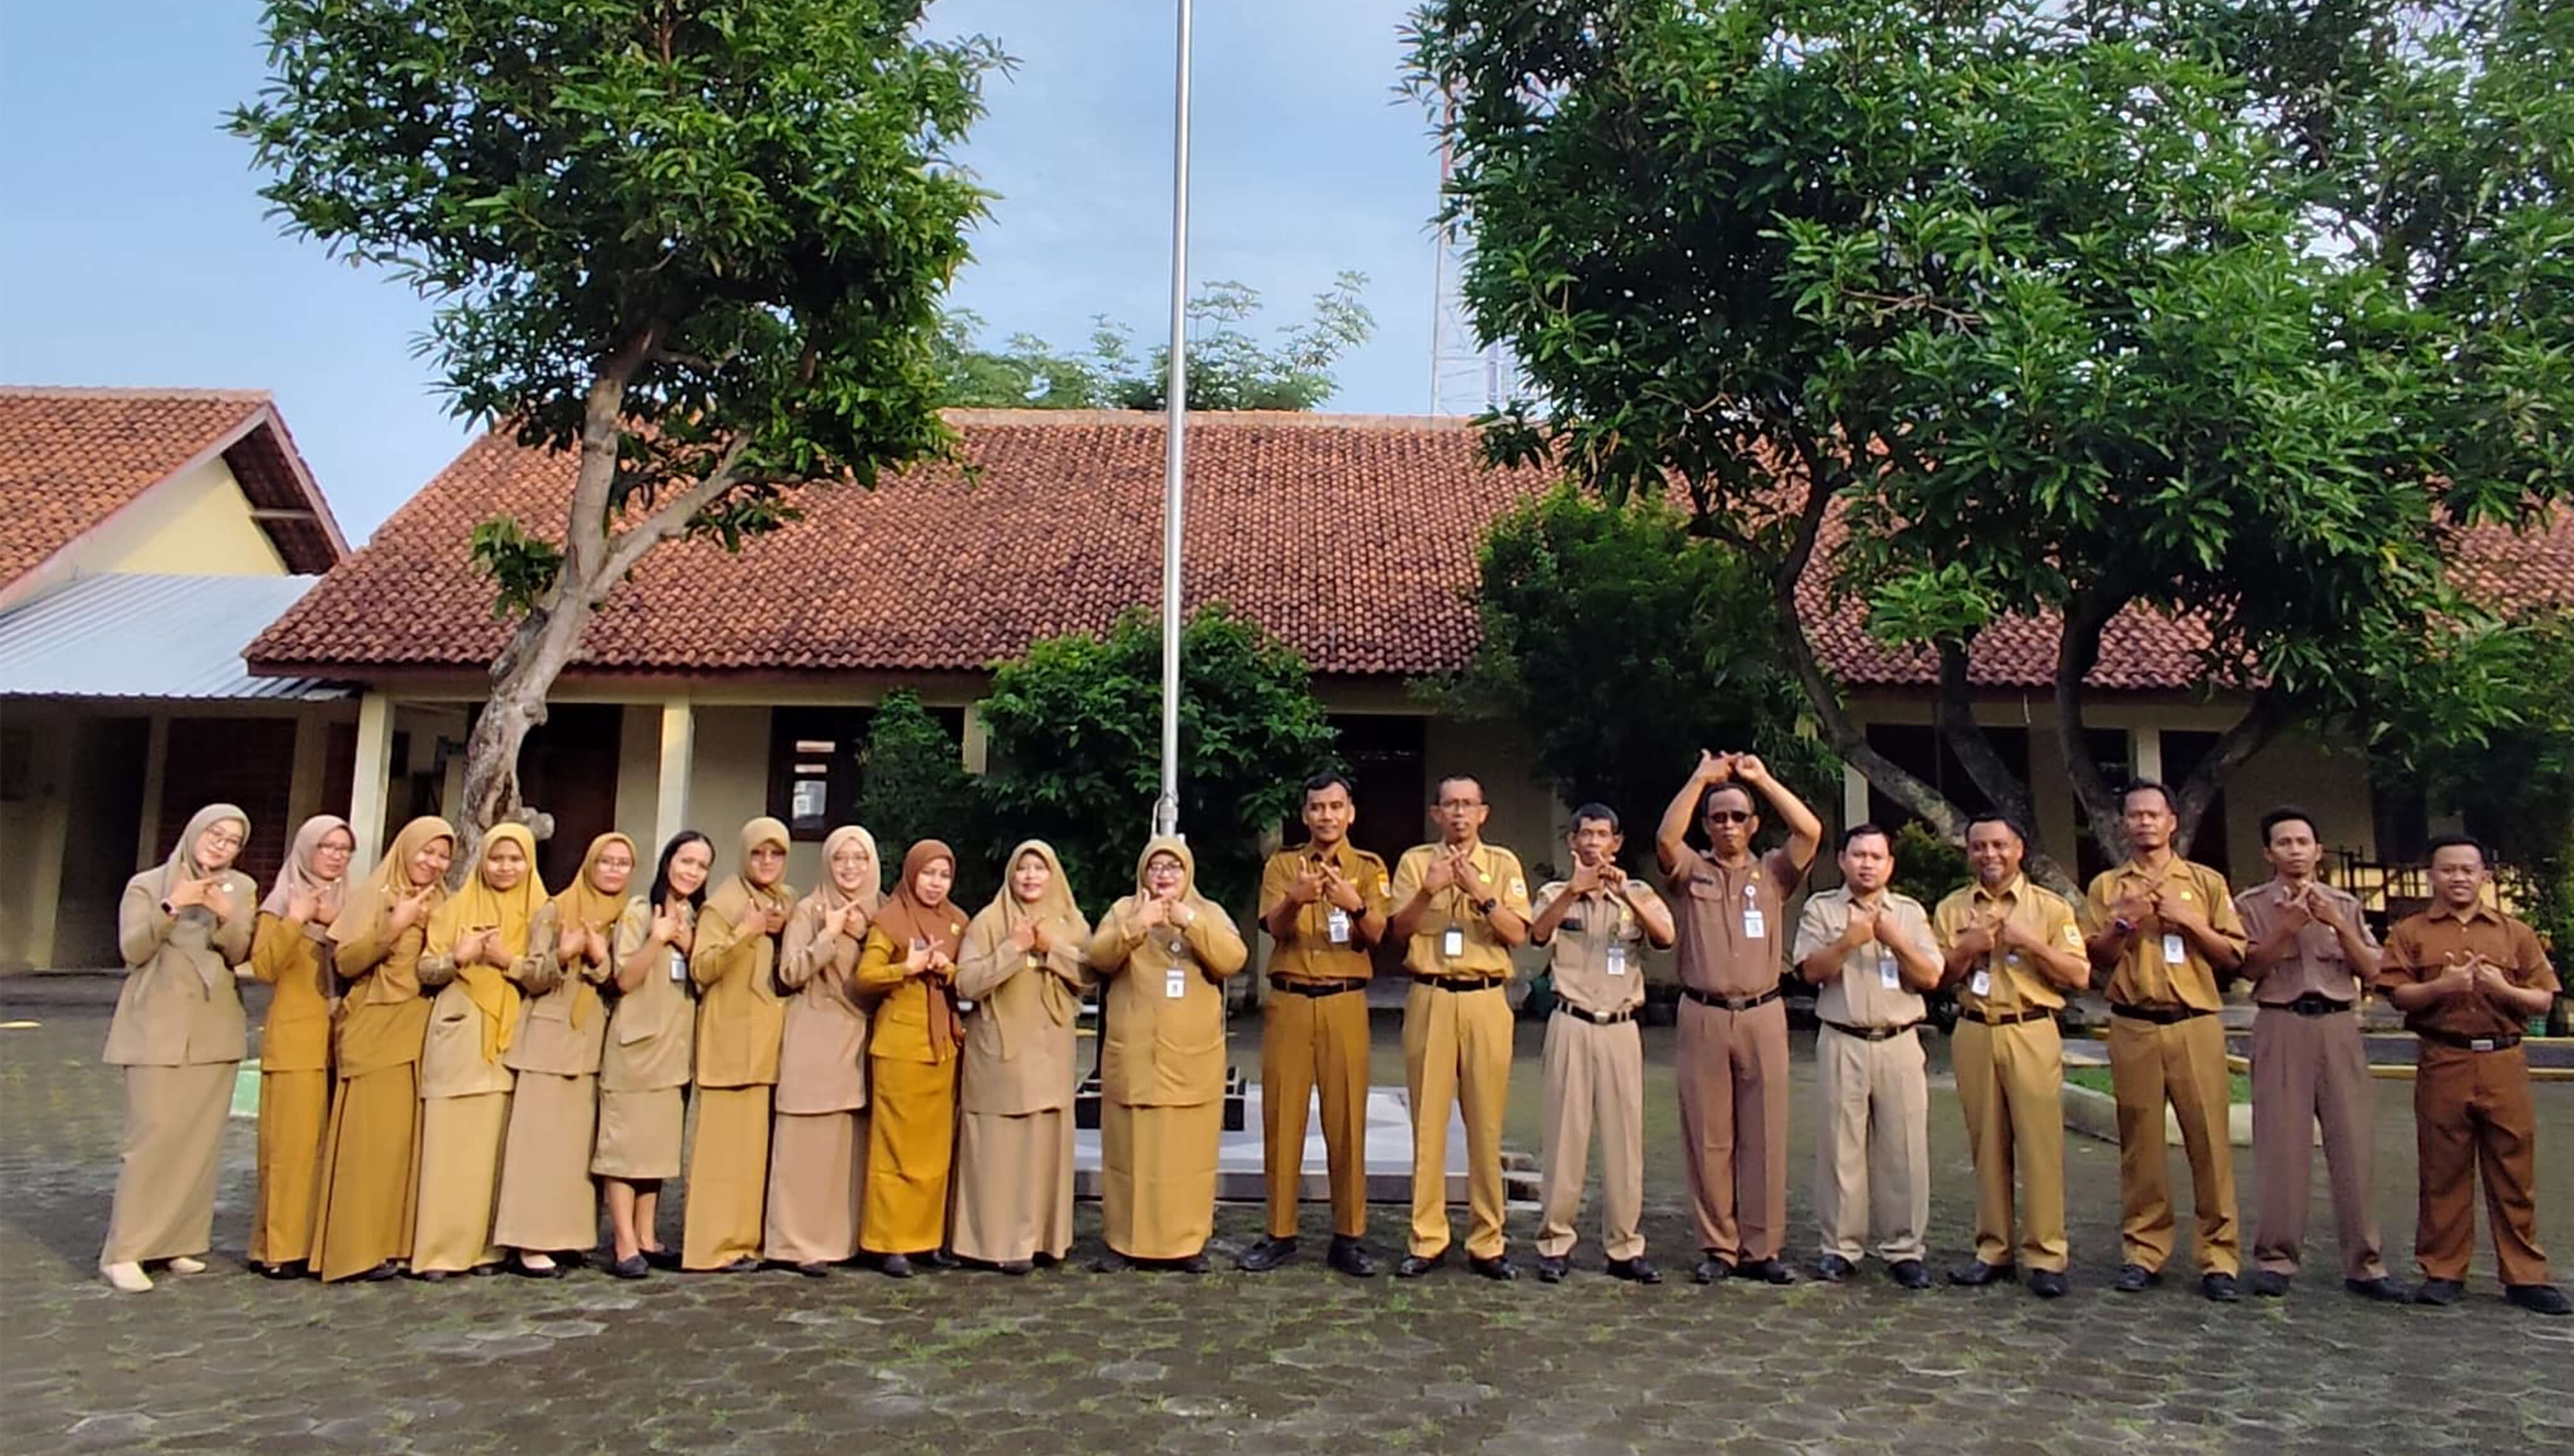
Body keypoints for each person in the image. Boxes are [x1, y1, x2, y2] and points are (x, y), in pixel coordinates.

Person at [2374, 835, 2567, 1316]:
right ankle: (2443, 1270)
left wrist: (2503, 989)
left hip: (2503, 1060)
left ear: (2485, 875)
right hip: (2445, 1057)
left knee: (2514, 1169)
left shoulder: (2515, 932)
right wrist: (2443, 986)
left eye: (2468, 869)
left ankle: (2525, 1275)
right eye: (2448, 869)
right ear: (2431, 876)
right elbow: (2397, 994)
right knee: (2443, 1169)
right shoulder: (2411, 932)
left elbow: (2543, 998)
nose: (2458, 878)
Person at [1655, 750, 1822, 1286]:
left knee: (1765, 1133)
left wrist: (1762, 779)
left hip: (1763, 1011)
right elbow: (1666, 839)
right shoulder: (1693, 872)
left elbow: (1810, 831)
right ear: (1706, 825)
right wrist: (1699, 777)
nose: (1728, 825)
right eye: (1718, 817)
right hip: (1703, 1013)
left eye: (1738, 817)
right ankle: (1718, 1245)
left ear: (1753, 824)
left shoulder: (1772, 872)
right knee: (1708, 1133)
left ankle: (1762, 1246)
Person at [2083, 780, 2249, 1301]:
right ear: (2123, 824)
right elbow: (2095, 959)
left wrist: (2188, 921)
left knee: (2209, 1141)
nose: (2144, 823)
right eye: (2135, 815)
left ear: (2172, 822)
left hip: (2194, 1022)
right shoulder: (2108, 886)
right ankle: (2144, 1250)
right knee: (2141, 1143)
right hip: (2133, 1023)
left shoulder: (2204, 882)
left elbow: (2233, 955)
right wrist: (2124, 922)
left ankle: (2219, 1256)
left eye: (2153, 814)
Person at [2233, 807, 2403, 1301]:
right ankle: (2276, 1258)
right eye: (2284, 842)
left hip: (2338, 1025)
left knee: (2353, 1144)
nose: (2295, 850)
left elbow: (2375, 970)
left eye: (2303, 842)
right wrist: (2286, 928)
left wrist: (2337, 924)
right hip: (2282, 1020)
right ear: (2269, 852)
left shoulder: (2345, 903)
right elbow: (2248, 967)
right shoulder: (2251, 905)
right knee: (2281, 1146)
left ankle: (2365, 1263)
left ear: (2318, 850)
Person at [98, 804, 256, 1293]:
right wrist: (173, 906)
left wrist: (225, 917)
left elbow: (241, 951)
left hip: (214, 1025)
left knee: (198, 1141)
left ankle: (176, 1241)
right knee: (153, 1138)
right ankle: (125, 1250)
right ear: (194, 832)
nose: (221, 846)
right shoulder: (148, 884)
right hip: (156, 1025)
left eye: (232, 841)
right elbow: (133, 950)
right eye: (215, 834)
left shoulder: (241, 888)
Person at [1240, 772, 1391, 1278]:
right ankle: (1279, 1232)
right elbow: (1274, 928)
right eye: (1317, 807)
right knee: (1283, 1117)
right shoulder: (1284, 865)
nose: (1327, 815)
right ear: (1305, 815)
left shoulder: (1368, 867)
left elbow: (1379, 934)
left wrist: (1355, 903)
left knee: (1347, 1120)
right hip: (1290, 1000)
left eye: (1335, 806)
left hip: (1344, 1000)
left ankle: (1348, 1235)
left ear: (1351, 813)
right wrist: (1296, 897)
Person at [1932, 814, 2089, 1299]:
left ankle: (2046, 1254)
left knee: (2040, 1145)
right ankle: (1993, 1248)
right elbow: (1937, 976)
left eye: (1999, 845)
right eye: (1979, 846)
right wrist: (1968, 947)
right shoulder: (1952, 908)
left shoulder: (2049, 907)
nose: (1990, 855)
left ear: (2019, 849)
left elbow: (2079, 975)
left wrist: (2030, 943)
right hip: (1975, 1028)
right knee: (1986, 1144)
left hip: (2031, 1027)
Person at [1388, 774, 1533, 1280]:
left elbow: (1518, 933)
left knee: (1486, 1125)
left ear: (1483, 813)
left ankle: (1488, 1238)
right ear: (1436, 813)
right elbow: (1398, 931)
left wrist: (1480, 893)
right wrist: (1428, 890)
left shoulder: (1503, 863)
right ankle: (1427, 1236)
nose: (1459, 813)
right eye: (1450, 804)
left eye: (1468, 804)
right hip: (1430, 994)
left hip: (1485, 998)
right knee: (1428, 1123)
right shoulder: (1414, 862)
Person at [1527, 804, 1675, 1284]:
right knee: (1564, 1137)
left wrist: (1625, 894)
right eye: (1585, 834)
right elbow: (1537, 934)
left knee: (1624, 1140)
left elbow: (1666, 936)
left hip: (1621, 1026)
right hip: (1571, 1020)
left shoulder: (1638, 892)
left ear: (1616, 842)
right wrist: (1576, 889)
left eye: (1602, 834)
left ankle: (1624, 1245)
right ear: (1573, 842)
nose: (1593, 842)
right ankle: (1555, 1241)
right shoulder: (1556, 893)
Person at [1791, 823, 1942, 1289]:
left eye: (1877, 856)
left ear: (1890, 865)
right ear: (1842, 860)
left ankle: (1904, 1248)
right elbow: (1810, 972)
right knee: (1841, 1148)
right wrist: (1849, 940)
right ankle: (1841, 1247)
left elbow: (1931, 976)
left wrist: (1895, 939)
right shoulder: (1822, 909)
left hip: (1899, 1041)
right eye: (1858, 855)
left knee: (1905, 1149)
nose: (1867, 864)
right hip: (1843, 1037)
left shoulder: (1909, 913)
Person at [1088, 836, 1249, 1271]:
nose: (1164, 874)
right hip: (1136, 1057)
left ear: (1188, 872)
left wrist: (1188, 921)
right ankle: (1125, 1242)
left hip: (1190, 1058)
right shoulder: (1124, 910)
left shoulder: (1207, 911)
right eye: (1156, 866)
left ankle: (1186, 1243)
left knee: (1187, 1155)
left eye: (1173, 867)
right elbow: (1097, 957)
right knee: (1130, 1153)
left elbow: (1233, 958)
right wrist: (1137, 925)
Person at [310, 815, 454, 1283]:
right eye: (426, 851)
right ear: (405, 849)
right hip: (375, 1026)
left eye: (443, 855)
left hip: (420, 1029)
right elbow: (346, 960)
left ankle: (393, 1244)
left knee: (401, 1148)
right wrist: (393, 928)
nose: (433, 862)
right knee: (367, 1143)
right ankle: (354, 1250)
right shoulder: (375, 894)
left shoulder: (446, 901)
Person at [410, 822, 547, 1279]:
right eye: (496, 858)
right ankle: (439, 1250)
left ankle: (487, 1249)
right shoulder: (454, 908)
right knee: (449, 1144)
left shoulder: (541, 911)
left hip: (511, 1038)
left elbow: (548, 974)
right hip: (460, 1032)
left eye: (515, 859)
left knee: (494, 1148)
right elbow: (426, 968)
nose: (505, 868)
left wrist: (509, 961)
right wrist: (460, 956)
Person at [494, 831, 633, 1276]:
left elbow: (619, 981)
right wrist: (563, 952)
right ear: (589, 864)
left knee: (576, 1152)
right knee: (539, 1147)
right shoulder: (556, 909)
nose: (613, 870)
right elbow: (531, 975)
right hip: (549, 1042)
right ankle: (530, 1242)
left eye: (622, 863)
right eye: (605, 861)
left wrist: (599, 959)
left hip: (594, 1043)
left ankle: (568, 1237)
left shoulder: (626, 915)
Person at [953, 840, 1092, 1273]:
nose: (1030, 877)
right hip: (999, 1053)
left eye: (1039, 868)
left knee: (1043, 1145)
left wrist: (1050, 947)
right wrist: (1012, 949)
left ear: (1053, 875)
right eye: (1022, 868)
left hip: (1050, 1051)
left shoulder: (1070, 921)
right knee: (999, 1150)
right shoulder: (988, 921)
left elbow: (1090, 973)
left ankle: (1043, 1240)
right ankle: (993, 1242)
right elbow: (966, 982)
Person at [594, 831, 712, 1278]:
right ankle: (624, 1242)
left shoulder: (698, 917)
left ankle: (647, 1235)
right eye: (686, 861)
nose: (692, 872)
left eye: (701, 865)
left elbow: (704, 975)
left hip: (675, 1051)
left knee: (656, 1150)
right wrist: (658, 939)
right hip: (636, 1048)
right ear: (668, 863)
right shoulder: (640, 911)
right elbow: (623, 979)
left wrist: (688, 943)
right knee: (625, 1149)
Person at [765, 824, 879, 1275]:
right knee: (806, 1144)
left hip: (863, 1038)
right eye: (840, 858)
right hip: (815, 1036)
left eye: (859, 858)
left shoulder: (883, 911)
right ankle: (796, 1242)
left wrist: (864, 935)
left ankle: (844, 1239)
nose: (850, 868)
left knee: (848, 1144)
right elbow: (790, 972)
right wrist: (829, 936)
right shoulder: (808, 910)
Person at [682, 817, 794, 1272]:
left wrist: (780, 929)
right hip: (729, 1042)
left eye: (776, 854)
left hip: (768, 1043)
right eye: (758, 853)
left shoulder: (785, 901)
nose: (767, 862)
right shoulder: (723, 904)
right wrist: (746, 931)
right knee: (721, 1156)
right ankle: (711, 1247)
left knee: (752, 1155)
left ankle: (746, 1242)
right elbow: (702, 968)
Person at [245, 814, 353, 1279]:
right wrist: (296, 919)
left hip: (343, 1038)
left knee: (328, 1150)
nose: (335, 856)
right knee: (290, 1149)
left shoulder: (354, 902)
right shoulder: (280, 902)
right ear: (306, 849)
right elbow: (264, 967)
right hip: (295, 1039)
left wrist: (336, 923)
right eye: (326, 847)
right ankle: (278, 1247)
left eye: (343, 849)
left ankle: (316, 1245)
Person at [855, 840, 970, 1276]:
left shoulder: (958, 921)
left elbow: (968, 977)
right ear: (910, 874)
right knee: (895, 1149)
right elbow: (865, 977)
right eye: (928, 874)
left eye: (944, 875)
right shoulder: (890, 919)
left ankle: (927, 1239)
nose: (935, 883)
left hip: (943, 1049)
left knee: (935, 1150)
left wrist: (946, 969)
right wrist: (907, 967)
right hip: (899, 1049)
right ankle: (890, 1242)